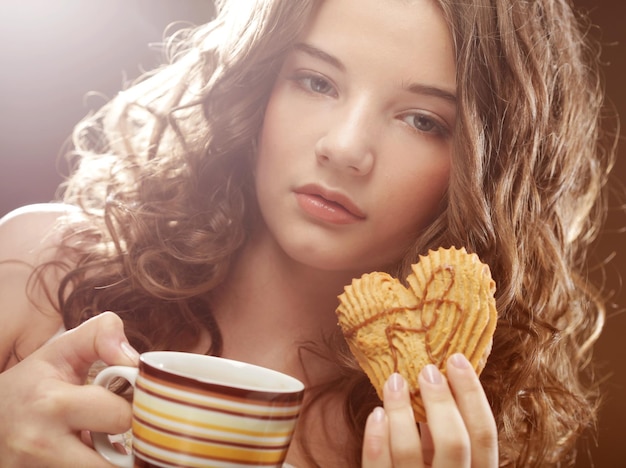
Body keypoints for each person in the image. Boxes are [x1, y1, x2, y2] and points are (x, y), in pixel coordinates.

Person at [0, 0, 616, 466]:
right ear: (258, 85)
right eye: (317, 82)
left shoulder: (434, 442)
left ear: (485, 167)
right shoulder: (33, 268)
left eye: (423, 120)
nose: (346, 148)